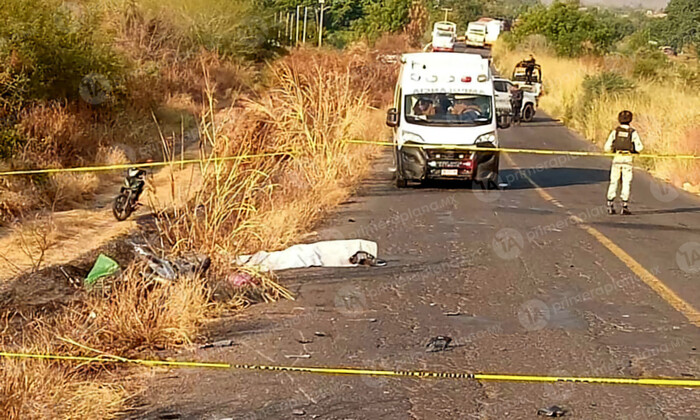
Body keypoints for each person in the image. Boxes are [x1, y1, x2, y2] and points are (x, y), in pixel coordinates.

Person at [604, 110, 643, 215]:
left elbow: (606, 147)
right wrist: (634, 151)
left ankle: (610, 203)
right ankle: (624, 205)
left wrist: (613, 150)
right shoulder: (632, 132)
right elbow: (640, 147)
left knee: (614, 181)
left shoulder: (615, 132)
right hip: (627, 158)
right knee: (626, 181)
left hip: (617, 157)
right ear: (630, 119)